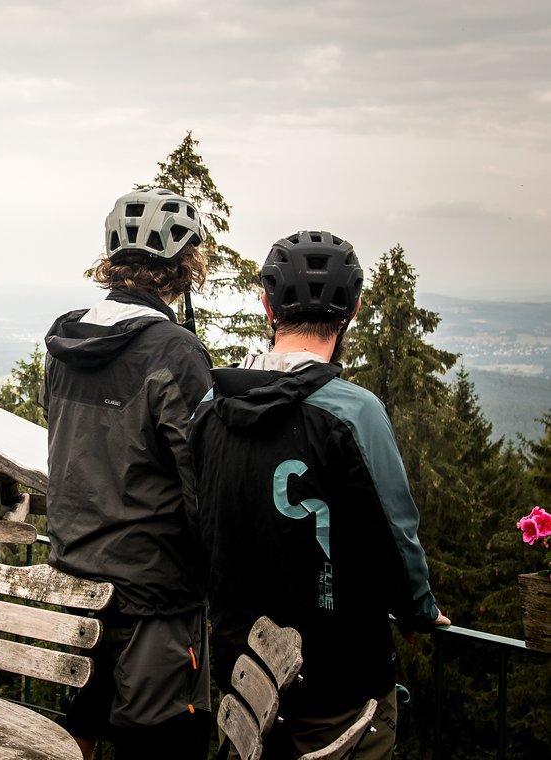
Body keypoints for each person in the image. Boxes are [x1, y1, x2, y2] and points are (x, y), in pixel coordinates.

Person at [189, 230, 451, 759]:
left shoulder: (210, 410)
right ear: (353, 309)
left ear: (266, 304)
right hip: (339, 685)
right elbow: (396, 537)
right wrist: (419, 609)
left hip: (242, 677)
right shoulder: (355, 413)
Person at [39, 187, 213, 759]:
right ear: (185, 267)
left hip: (77, 578)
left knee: (77, 732)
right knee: (162, 745)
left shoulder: (65, 343)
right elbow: (201, 485)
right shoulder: (175, 352)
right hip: (155, 596)